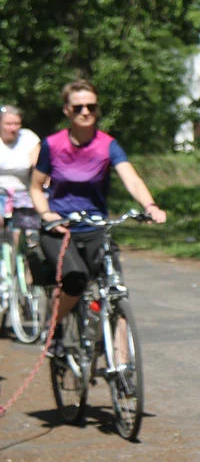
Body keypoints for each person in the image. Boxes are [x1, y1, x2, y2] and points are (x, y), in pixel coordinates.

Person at [29, 80, 166, 350]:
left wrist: (150, 206)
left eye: (91, 106)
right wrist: (46, 214)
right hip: (61, 228)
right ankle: (54, 324)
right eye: (78, 106)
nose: (85, 111)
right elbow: (35, 186)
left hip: (95, 227)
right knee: (76, 279)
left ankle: (123, 364)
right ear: (67, 111)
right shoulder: (52, 145)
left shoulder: (107, 145)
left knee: (116, 289)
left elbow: (132, 180)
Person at [0, 105, 42, 250]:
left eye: (16, 124)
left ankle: (27, 261)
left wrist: (45, 181)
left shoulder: (27, 137)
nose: (13, 128)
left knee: (30, 232)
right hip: (0, 192)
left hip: (23, 192)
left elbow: (39, 166)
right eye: (8, 124)